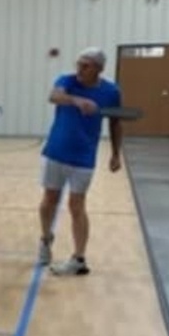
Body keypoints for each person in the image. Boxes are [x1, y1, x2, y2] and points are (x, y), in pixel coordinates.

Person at [37, 47, 123, 276]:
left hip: (84, 157)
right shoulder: (67, 81)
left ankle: (79, 259)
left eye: (86, 65)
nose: (80, 69)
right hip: (55, 152)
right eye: (78, 63)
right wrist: (76, 100)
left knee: (77, 206)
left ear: (99, 68)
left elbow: (115, 122)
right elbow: (53, 96)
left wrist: (116, 153)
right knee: (49, 201)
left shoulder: (112, 92)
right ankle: (46, 240)